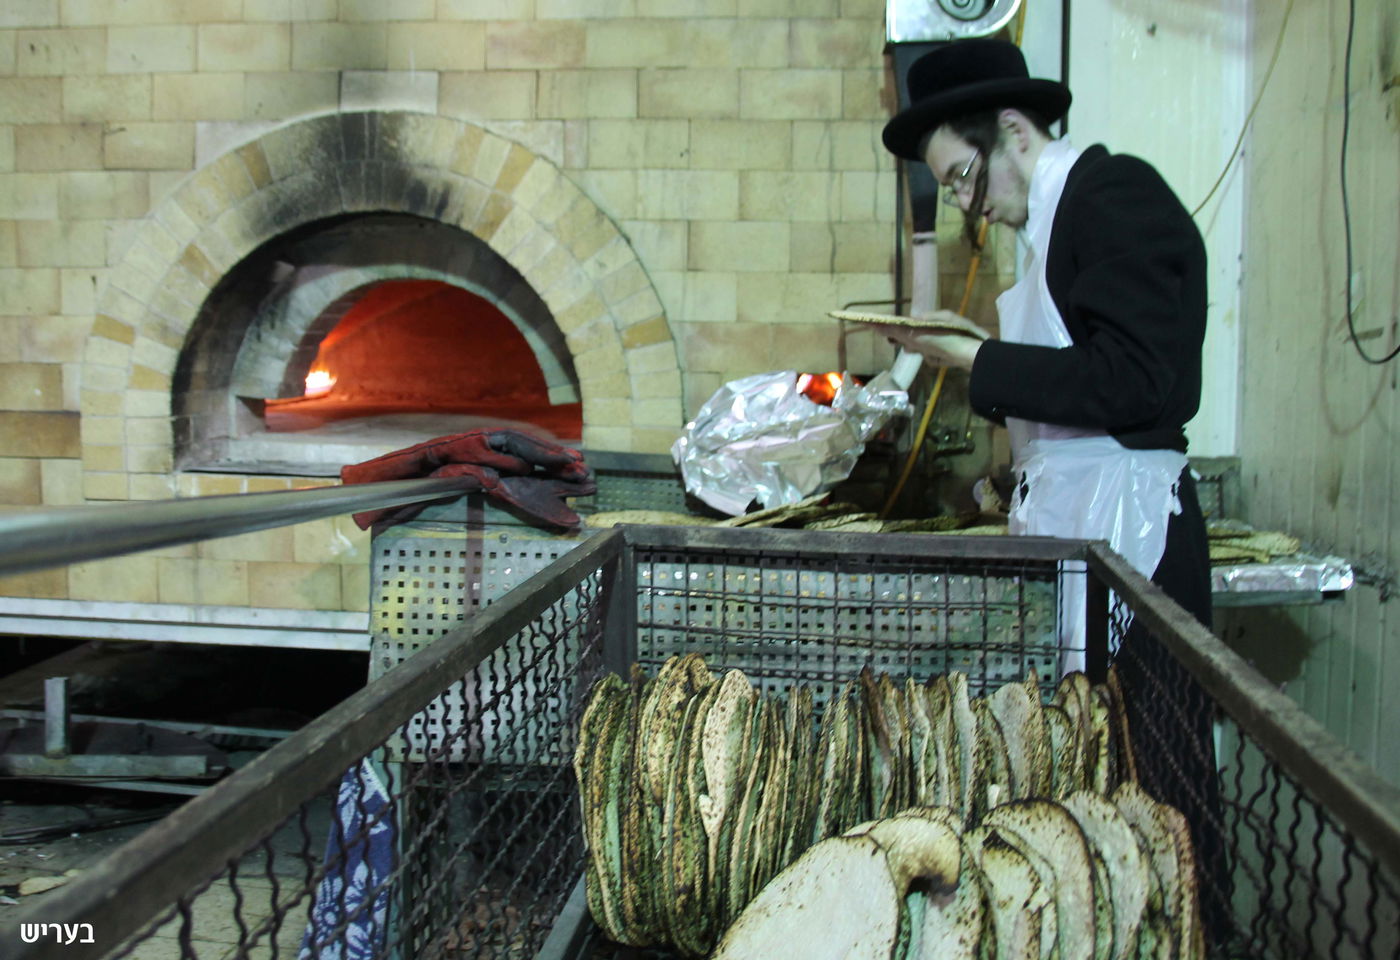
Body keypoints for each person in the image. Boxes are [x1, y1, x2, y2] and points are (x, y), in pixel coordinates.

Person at [877, 37, 1229, 942]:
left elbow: (1142, 382)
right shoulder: (1045, 233)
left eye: (961, 177)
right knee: (1094, 779)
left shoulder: (1116, 198)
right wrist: (1010, 471)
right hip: (1086, 538)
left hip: (1139, 543)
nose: (967, 205)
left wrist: (979, 359)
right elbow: (1076, 395)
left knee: (1165, 782)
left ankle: (1198, 937)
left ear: (1010, 130)